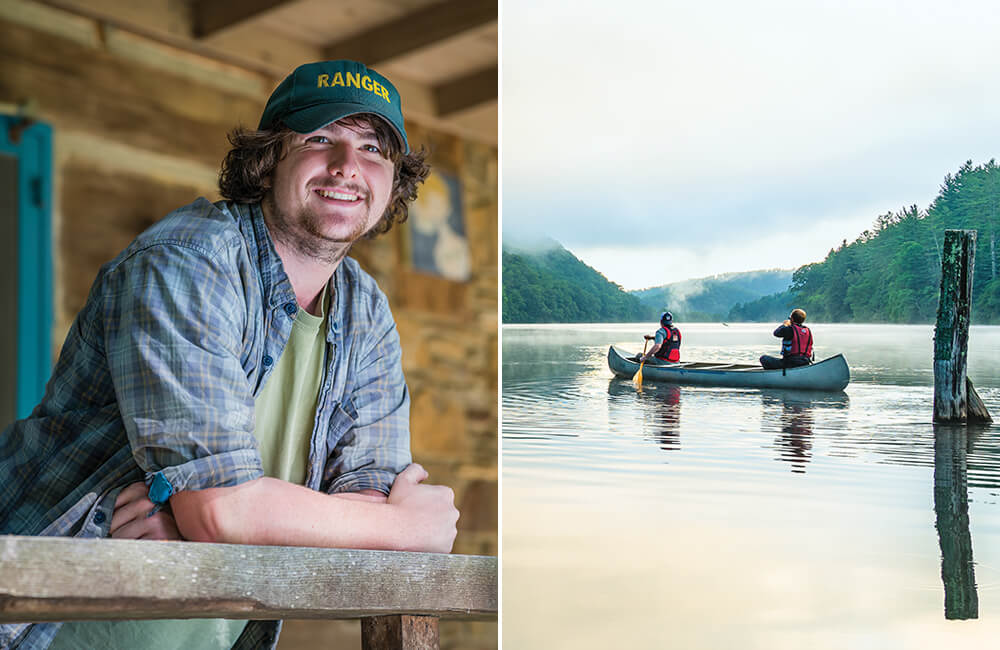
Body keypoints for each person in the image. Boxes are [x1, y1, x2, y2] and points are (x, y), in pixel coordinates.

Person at [0, 59, 459, 650]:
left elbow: (364, 499)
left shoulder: (365, 311)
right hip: (43, 625)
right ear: (269, 160)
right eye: (320, 138)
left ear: (393, 180)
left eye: (373, 148)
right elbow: (223, 513)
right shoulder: (188, 262)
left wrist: (244, 519)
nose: (348, 166)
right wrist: (406, 528)